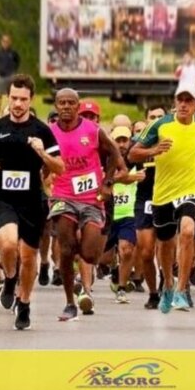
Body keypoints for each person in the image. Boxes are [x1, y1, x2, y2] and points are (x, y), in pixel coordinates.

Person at [0, 74, 64, 330]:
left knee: (29, 257)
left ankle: (24, 303)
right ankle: (9, 278)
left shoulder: (42, 131)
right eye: (14, 98)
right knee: (7, 243)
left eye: (23, 99)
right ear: (8, 98)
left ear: (31, 100)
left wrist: (41, 153)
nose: (18, 103)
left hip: (32, 202)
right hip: (4, 198)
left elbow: (59, 166)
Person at [128, 82, 195, 314]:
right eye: (180, 100)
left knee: (186, 230)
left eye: (189, 101)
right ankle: (167, 285)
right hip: (163, 192)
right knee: (165, 243)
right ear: (175, 102)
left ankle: (182, 289)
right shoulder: (160, 125)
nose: (183, 105)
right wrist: (152, 151)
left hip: (190, 188)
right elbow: (132, 152)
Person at [48, 88, 123, 321]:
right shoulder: (49, 132)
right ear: (57, 106)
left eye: (71, 103)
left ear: (78, 106)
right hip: (63, 195)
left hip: (91, 198)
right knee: (67, 248)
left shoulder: (92, 130)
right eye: (62, 103)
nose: (66, 107)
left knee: (90, 255)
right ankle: (70, 302)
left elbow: (114, 153)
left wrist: (107, 182)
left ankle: (84, 253)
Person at [132, 105, 167, 309]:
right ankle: (153, 292)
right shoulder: (138, 143)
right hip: (145, 198)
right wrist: (130, 177)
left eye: (160, 117)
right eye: (152, 117)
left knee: (166, 247)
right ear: (146, 120)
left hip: (168, 196)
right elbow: (124, 166)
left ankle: (167, 281)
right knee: (146, 251)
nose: (156, 120)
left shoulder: (174, 139)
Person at [109, 126, 144, 303]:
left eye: (125, 140)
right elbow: (104, 179)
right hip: (107, 214)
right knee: (101, 258)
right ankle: (112, 268)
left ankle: (122, 287)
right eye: (118, 140)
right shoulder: (105, 159)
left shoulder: (137, 160)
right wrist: (128, 178)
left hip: (128, 214)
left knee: (127, 250)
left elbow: (142, 176)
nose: (122, 144)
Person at [0, 34, 20, 114]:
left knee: (10, 94)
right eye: (4, 41)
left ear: (10, 42)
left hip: (10, 75)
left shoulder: (13, 53)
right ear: (1, 42)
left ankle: (8, 110)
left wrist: (13, 70)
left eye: (7, 41)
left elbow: (17, 61)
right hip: (1, 76)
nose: (5, 43)